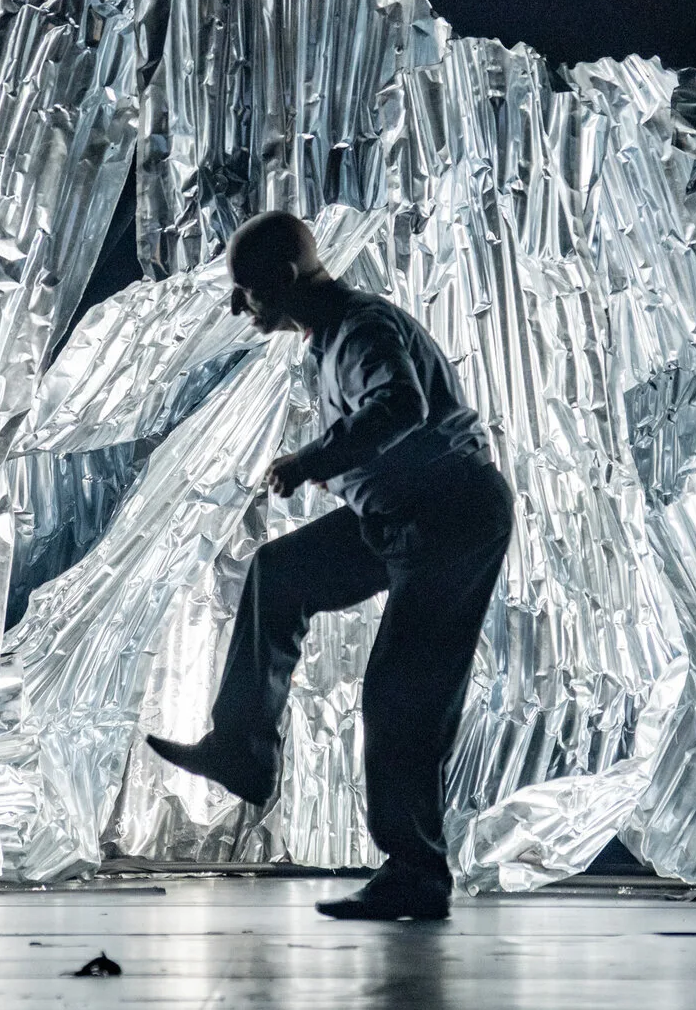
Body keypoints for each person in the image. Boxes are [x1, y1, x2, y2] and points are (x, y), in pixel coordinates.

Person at [147, 212, 514, 922]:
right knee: (278, 574)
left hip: (450, 515)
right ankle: (241, 751)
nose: (238, 308)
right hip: (397, 516)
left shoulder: (361, 329)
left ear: (285, 279)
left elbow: (400, 404)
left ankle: (416, 873)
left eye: (246, 290)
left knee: (401, 694)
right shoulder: (330, 340)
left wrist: (312, 458)